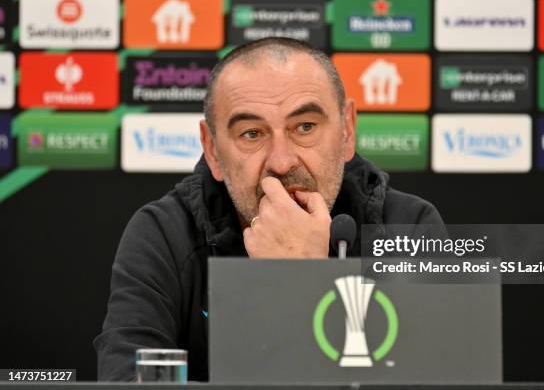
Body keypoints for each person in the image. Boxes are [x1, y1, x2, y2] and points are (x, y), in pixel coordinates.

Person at [94, 37, 443, 381]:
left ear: (348, 130)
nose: (281, 161)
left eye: (305, 127)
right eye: (251, 134)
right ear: (212, 149)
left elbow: (439, 378)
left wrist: (306, 284)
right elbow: (126, 380)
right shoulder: (164, 235)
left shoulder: (410, 227)